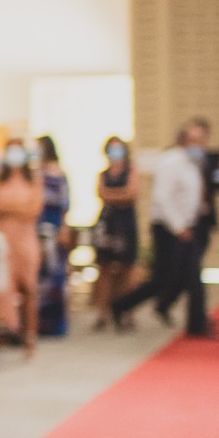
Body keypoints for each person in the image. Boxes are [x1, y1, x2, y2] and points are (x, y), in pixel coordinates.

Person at [110, 129, 207, 335]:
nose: (200, 145)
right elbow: (162, 198)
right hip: (168, 229)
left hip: (186, 227)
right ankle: (121, 305)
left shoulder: (191, 164)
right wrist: (179, 227)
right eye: (195, 140)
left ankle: (195, 322)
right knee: (162, 279)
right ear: (184, 140)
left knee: (190, 275)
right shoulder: (171, 162)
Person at [0, 139, 42, 356]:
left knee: (28, 287)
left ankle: (29, 337)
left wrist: (10, 208)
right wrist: (18, 207)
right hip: (2, 238)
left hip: (26, 238)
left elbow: (33, 209)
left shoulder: (33, 179)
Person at [182, 116, 219, 338]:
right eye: (191, 138)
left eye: (199, 139)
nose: (195, 143)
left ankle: (197, 320)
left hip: (204, 221)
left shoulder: (213, 159)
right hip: (186, 222)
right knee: (193, 273)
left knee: (195, 271)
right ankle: (196, 321)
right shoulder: (180, 159)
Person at [91, 136, 139, 330]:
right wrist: (120, 195)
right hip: (108, 223)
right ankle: (103, 312)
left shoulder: (131, 171)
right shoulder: (103, 174)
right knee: (104, 267)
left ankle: (125, 310)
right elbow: (101, 193)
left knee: (127, 268)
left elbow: (132, 193)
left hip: (125, 223)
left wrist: (114, 196)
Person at [35, 136, 72, 337]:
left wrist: (64, 227)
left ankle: (56, 324)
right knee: (39, 277)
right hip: (36, 228)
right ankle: (39, 322)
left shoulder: (58, 174)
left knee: (55, 275)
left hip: (54, 227)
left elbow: (65, 204)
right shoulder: (33, 172)